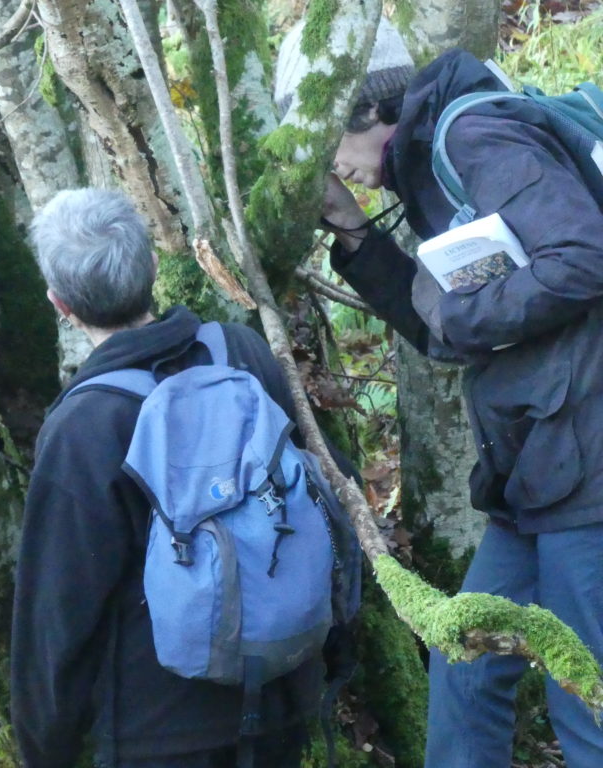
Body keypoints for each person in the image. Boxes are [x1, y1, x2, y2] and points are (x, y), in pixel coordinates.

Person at [276, 18, 603, 768]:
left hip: (586, 458)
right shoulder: (427, 164)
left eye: (329, 139)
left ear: (367, 111)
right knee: (463, 660)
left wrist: (463, 313)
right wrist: (355, 236)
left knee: (584, 696)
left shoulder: (474, 138)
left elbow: (583, 253)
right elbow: (441, 328)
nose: (333, 164)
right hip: (537, 464)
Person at [11, 188, 348, 768]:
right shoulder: (238, 352)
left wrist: (46, 749)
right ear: (152, 268)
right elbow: (324, 496)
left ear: (59, 304)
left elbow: (57, 617)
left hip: (158, 730)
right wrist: (338, 655)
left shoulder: (83, 427)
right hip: (280, 695)